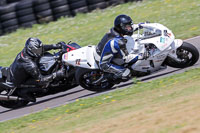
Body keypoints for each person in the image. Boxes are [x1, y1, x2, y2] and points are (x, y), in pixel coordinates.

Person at [9, 37, 66, 102]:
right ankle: (23, 92)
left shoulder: (29, 50)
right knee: (44, 86)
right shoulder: (29, 64)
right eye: (37, 51)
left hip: (22, 71)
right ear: (30, 50)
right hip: (21, 81)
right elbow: (40, 79)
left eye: (39, 49)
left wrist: (56, 46)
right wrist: (56, 74)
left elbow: (42, 48)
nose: (39, 51)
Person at [94, 14, 142, 80]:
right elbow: (127, 58)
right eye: (127, 26)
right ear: (121, 27)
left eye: (130, 25)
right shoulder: (118, 42)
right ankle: (111, 77)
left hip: (104, 51)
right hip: (104, 63)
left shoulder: (116, 30)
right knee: (127, 73)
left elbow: (130, 29)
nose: (130, 28)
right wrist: (141, 55)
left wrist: (142, 25)